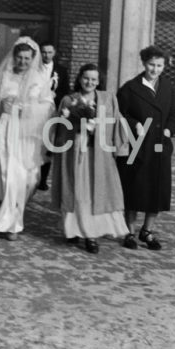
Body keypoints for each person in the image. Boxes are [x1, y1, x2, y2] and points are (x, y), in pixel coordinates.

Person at [0, 36, 54, 240]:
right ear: (14, 57)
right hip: (7, 127)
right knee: (8, 176)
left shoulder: (39, 79)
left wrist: (27, 108)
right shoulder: (5, 77)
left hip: (29, 132)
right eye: (20, 58)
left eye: (27, 58)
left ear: (33, 58)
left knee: (31, 178)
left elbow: (49, 106)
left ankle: (15, 212)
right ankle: (10, 224)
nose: (23, 62)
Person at [51, 64, 129, 254]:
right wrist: (74, 123)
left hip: (99, 154)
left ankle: (91, 234)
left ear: (98, 81)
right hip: (76, 152)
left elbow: (117, 122)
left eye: (94, 79)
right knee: (78, 193)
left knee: (96, 193)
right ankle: (75, 230)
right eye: (86, 78)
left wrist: (114, 143)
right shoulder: (69, 100)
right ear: (79, 78)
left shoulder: (107, 99)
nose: (89, 82)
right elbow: (58, 127)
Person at [116, 45, 175, 251]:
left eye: (159, 66)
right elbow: (118, 114)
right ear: (144, 63)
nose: (155, 69)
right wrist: (133, 123)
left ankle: (147, 230)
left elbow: (174, 114)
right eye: (151, 65)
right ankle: (129, 231)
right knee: (134, 187)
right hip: (137, 146)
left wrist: (170, 129)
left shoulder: (168, 88)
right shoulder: (130, 88)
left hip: (160, 144)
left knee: (157, 188)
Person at [37, 41, 70, 191]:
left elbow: (65, 90)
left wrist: (57, 100)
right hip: (35, 111)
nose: (46, 55)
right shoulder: (34, 68)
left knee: (48, 144)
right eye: (44, 52)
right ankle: (33, 174)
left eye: (49, 52)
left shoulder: (61, 71)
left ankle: (43, 179)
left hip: (52, 111)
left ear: (54, 53)